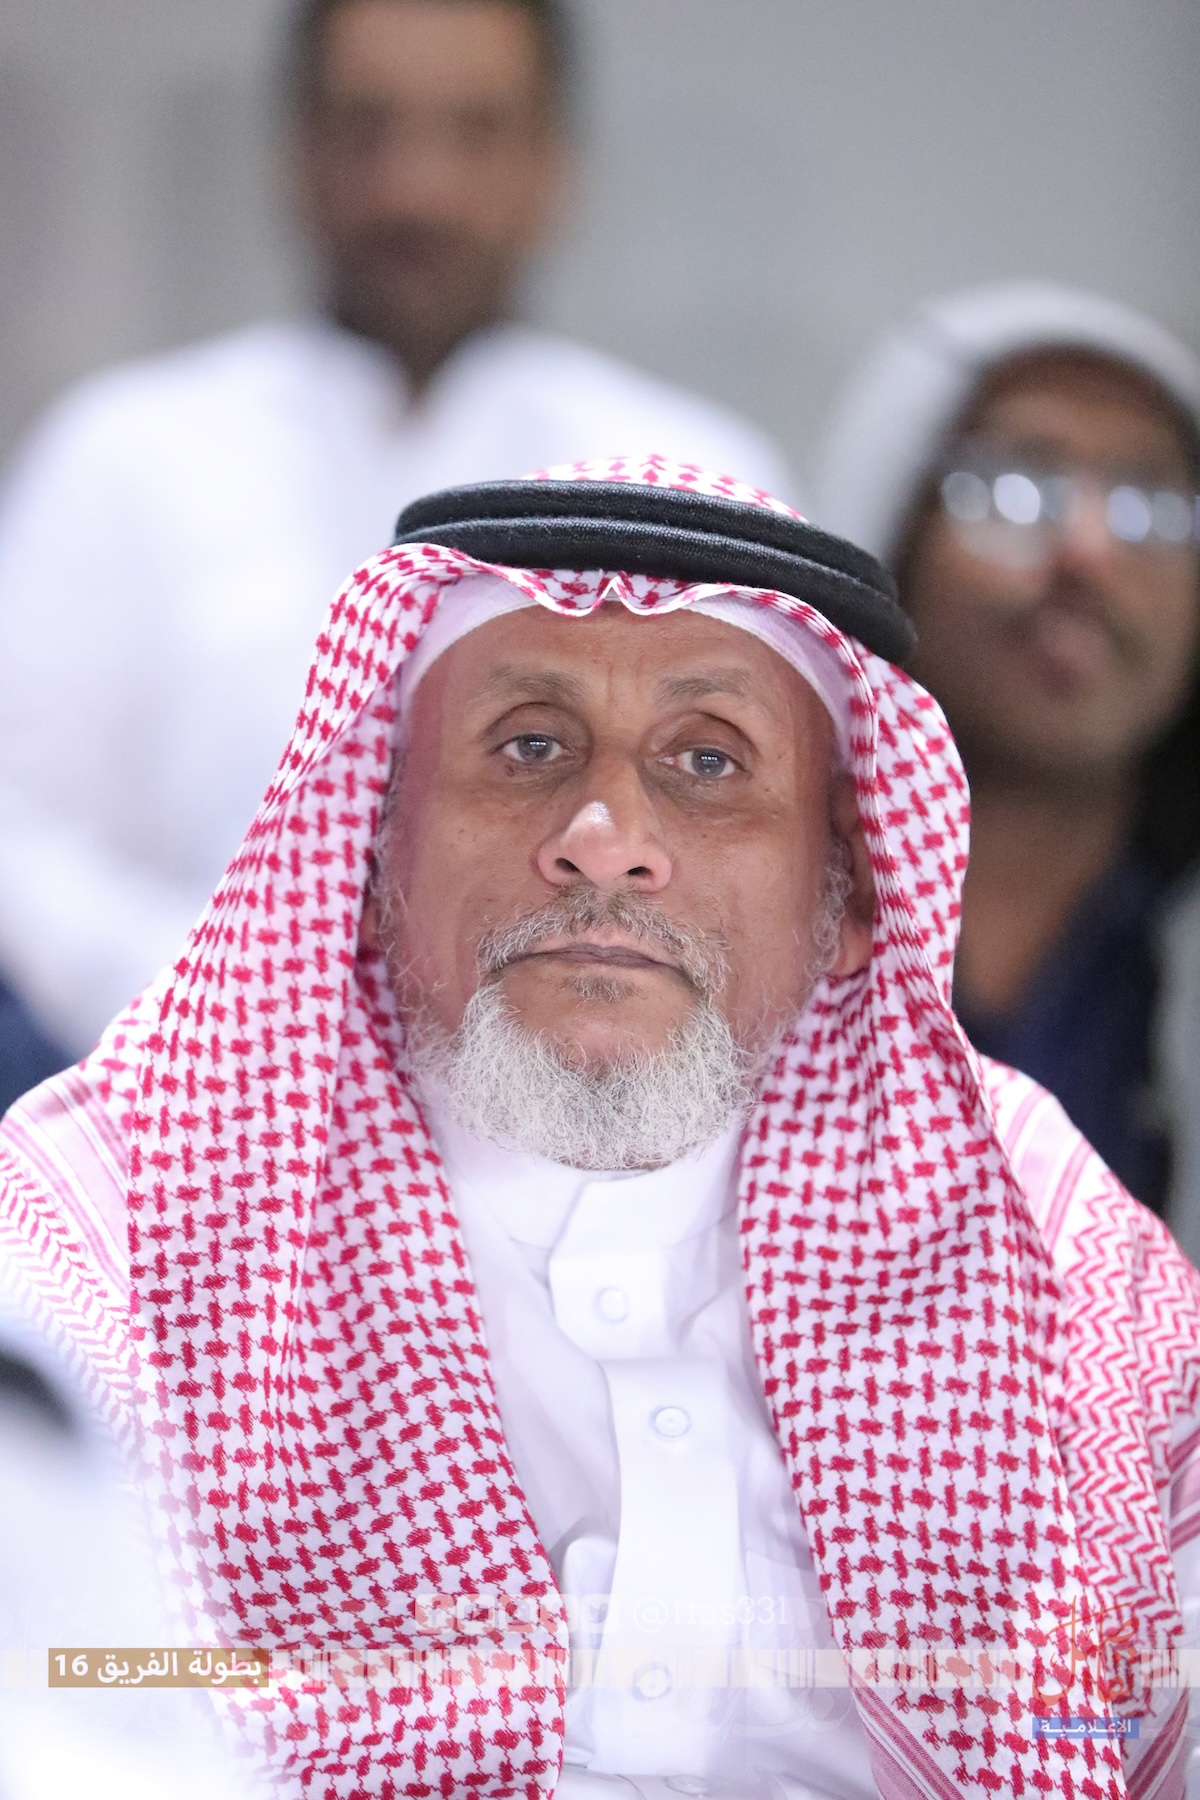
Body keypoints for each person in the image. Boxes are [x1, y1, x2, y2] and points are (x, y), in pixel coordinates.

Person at [1, 457, 1199, 1800]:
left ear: (854, 888)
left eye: (708, 760)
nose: (606, 839)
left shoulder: (1047, 1251)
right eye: (528, 746)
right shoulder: (105, 1220)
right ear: (375, 844)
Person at [0, 0, 793, 1106]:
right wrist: (244, 1022)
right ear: (296, 154)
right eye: (368, 126)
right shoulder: (121, 453)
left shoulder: (693, 478)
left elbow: (749, 849)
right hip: (169, 1089)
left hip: (589, 1116)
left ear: (554, 166)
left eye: (474, 131)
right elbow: (23, 830)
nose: (416, 189)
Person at [815, 282, 1200, 1256]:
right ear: (885, 537)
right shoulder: (742, 927)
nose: (1088, 553)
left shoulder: (1166, 951)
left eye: (1154, 506)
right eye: (1014, 487)